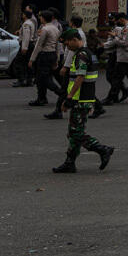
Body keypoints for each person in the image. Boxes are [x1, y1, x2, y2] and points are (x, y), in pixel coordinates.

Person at [50, 28, 114, 174]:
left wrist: (69, 98)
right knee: (74, 132)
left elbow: (80, 77)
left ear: (74, 39)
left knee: (76, 133)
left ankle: (102, 149)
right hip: (85, 98)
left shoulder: (81, 55)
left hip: (80, 99)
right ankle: (70, 162)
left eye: (67, 44)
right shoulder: (87, 53)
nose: (67, 47)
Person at [29, 9, 63, 108]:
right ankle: (41, 98)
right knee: (41, 78)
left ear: (43, 18)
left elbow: (39, 45)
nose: (40, 18)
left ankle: (61, 93)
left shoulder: (45, 29)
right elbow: (57, 45)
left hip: (44, 55)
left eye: (41, 17)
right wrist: (57, 59)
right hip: (52, 54)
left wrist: (32, 59)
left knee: (44, 78)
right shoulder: (55, 29)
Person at [12, 7, 36, 87]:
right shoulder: (30, 22)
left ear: (25, 15)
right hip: (30, 44)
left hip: (26, 45)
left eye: (23, 14)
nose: (22, 15)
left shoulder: (26, 24)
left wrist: (24, 47)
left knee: (18, 62)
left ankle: (21, 80)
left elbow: (26, 36)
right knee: (27, 63)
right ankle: (29, 80)